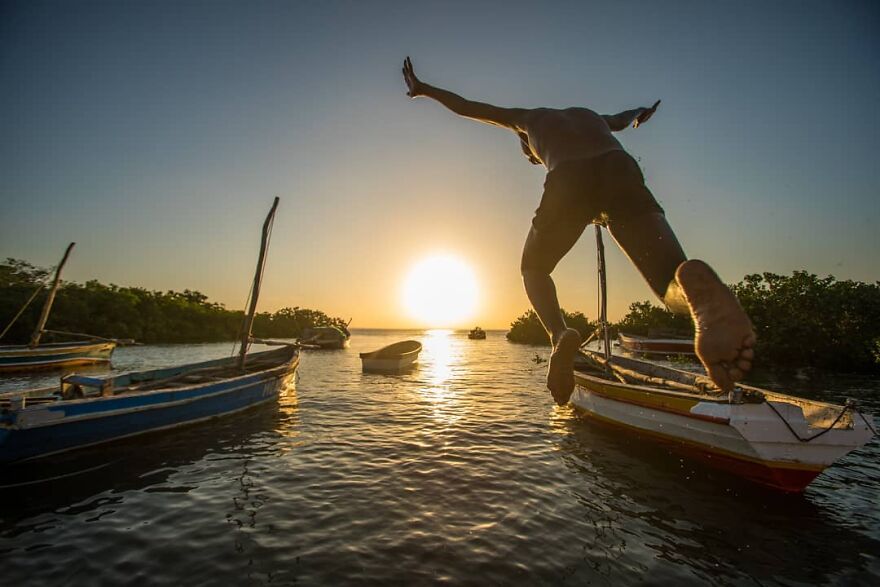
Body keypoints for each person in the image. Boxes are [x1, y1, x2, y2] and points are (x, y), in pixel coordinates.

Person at [401, 57, 755, 405]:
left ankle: (560, 334)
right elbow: (622, 117)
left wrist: (423, 89)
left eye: (532, 160)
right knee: (672, 288)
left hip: (568, 179)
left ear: (528, 144)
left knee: (533, 269)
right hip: (618, 166)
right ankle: (691, 281)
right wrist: (640, 112)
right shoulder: (591, 116)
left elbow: (467, 107)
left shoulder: (526, 120)